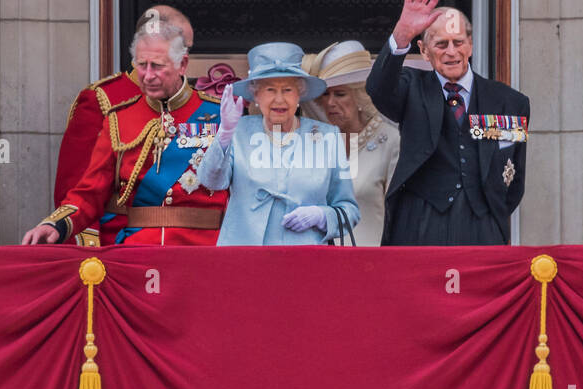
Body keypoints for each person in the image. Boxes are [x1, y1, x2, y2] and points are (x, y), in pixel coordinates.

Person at [22, 18, 227, 247]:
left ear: (182, 64)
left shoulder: (221, 114)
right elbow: (90, 191)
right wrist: (54, 225)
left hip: (206, 250)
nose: (148, 75)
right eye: (141, 65)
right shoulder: (119, 118)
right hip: (137, 250)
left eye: (158, 65)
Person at [366, 0, 530, 246]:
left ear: (471, 45)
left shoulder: (510, 102)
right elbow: (377, 89)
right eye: (441, 44)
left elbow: (515, 177)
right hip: (420, 224)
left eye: (458, 42)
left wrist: (489, 213)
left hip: (483, 226)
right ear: (425, 51)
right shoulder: (411, 88)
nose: (452, 52)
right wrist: (402, 35)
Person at [53, 5, 193, 244]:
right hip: (121, 239)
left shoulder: (198, 105)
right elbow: (76, 184)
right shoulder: (103, 98)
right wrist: (90, 247)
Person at [198, 42, 360, 246]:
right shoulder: (238, 132)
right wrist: (224, 135)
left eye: (287, 89)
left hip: (305, 261)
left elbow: (349, 210)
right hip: (244, 259)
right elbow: (210, 182)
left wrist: (322, 215)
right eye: (270, 89)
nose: (279, 99)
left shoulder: (329, 137)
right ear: (255, 95)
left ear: (299, 94)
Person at [302, 41, 400, 247]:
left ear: (361, 96)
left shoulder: (391, 140)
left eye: (340, 94)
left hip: (370, 265)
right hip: (317, 263)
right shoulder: (315, 141)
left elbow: (400, 216)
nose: (330, 103)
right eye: (325, 94)